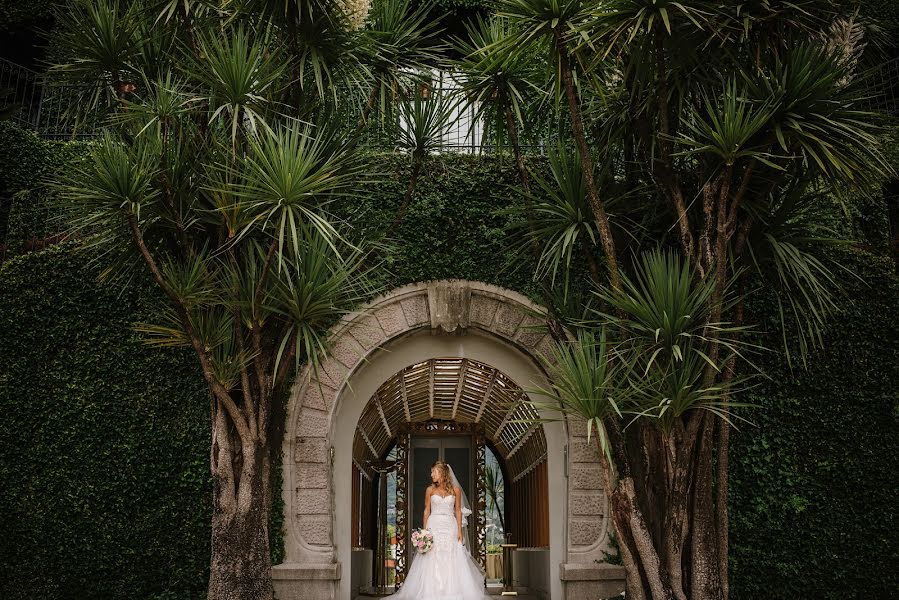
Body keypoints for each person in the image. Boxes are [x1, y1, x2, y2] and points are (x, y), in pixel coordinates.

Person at [390, 459, 491, 599]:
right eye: (432, 472)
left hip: (450, 526)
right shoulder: (430, 490)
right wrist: (424, 532)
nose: (431, 474)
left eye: (434, 472)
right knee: (432, 556)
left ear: (442, 473)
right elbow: (426, 510)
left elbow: (458, 512)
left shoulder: (456, 491)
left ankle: (451, 592)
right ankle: (432, 592)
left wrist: (460, 532)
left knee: (451, 555)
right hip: (434, 525)